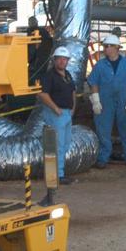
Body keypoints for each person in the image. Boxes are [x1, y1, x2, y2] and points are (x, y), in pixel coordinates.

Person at [87, 33, 126, 167]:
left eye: (109, 46)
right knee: (103, 131)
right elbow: (93, 83)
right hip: (105, 103)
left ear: (117, 48)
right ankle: (102, 159)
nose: (106, 49)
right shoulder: (100, 65)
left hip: (123, 101)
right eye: (105, 46)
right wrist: (96, 101)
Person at [38, 45, 77, 185]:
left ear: (67, 61)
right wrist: (55, 108)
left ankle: (59, 173)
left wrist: (73, 107)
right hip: (56, 114)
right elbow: (42, 93)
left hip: (66, 113)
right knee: (57, 146)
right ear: (54, 60)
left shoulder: (67, 75)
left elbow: (73, 91)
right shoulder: (49, 76)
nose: (62, 61)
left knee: (65, 144)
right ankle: (58, 175)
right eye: (59, 59)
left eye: (64, 59)